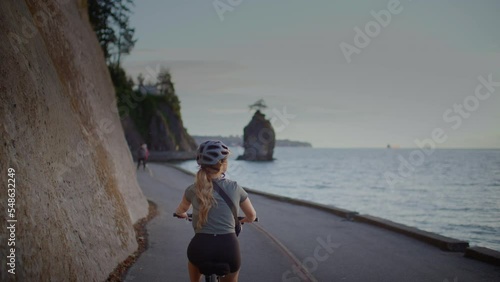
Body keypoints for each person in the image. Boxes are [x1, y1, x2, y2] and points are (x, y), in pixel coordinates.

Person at [174, 140, 257, 282]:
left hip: (200, 248)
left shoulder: (192, 189)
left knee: (194, 268)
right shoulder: (235, 187)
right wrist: (243, 220)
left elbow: (181, 209)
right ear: (222, 164)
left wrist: (181, 214)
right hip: (228, 249)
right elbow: (251, 215)